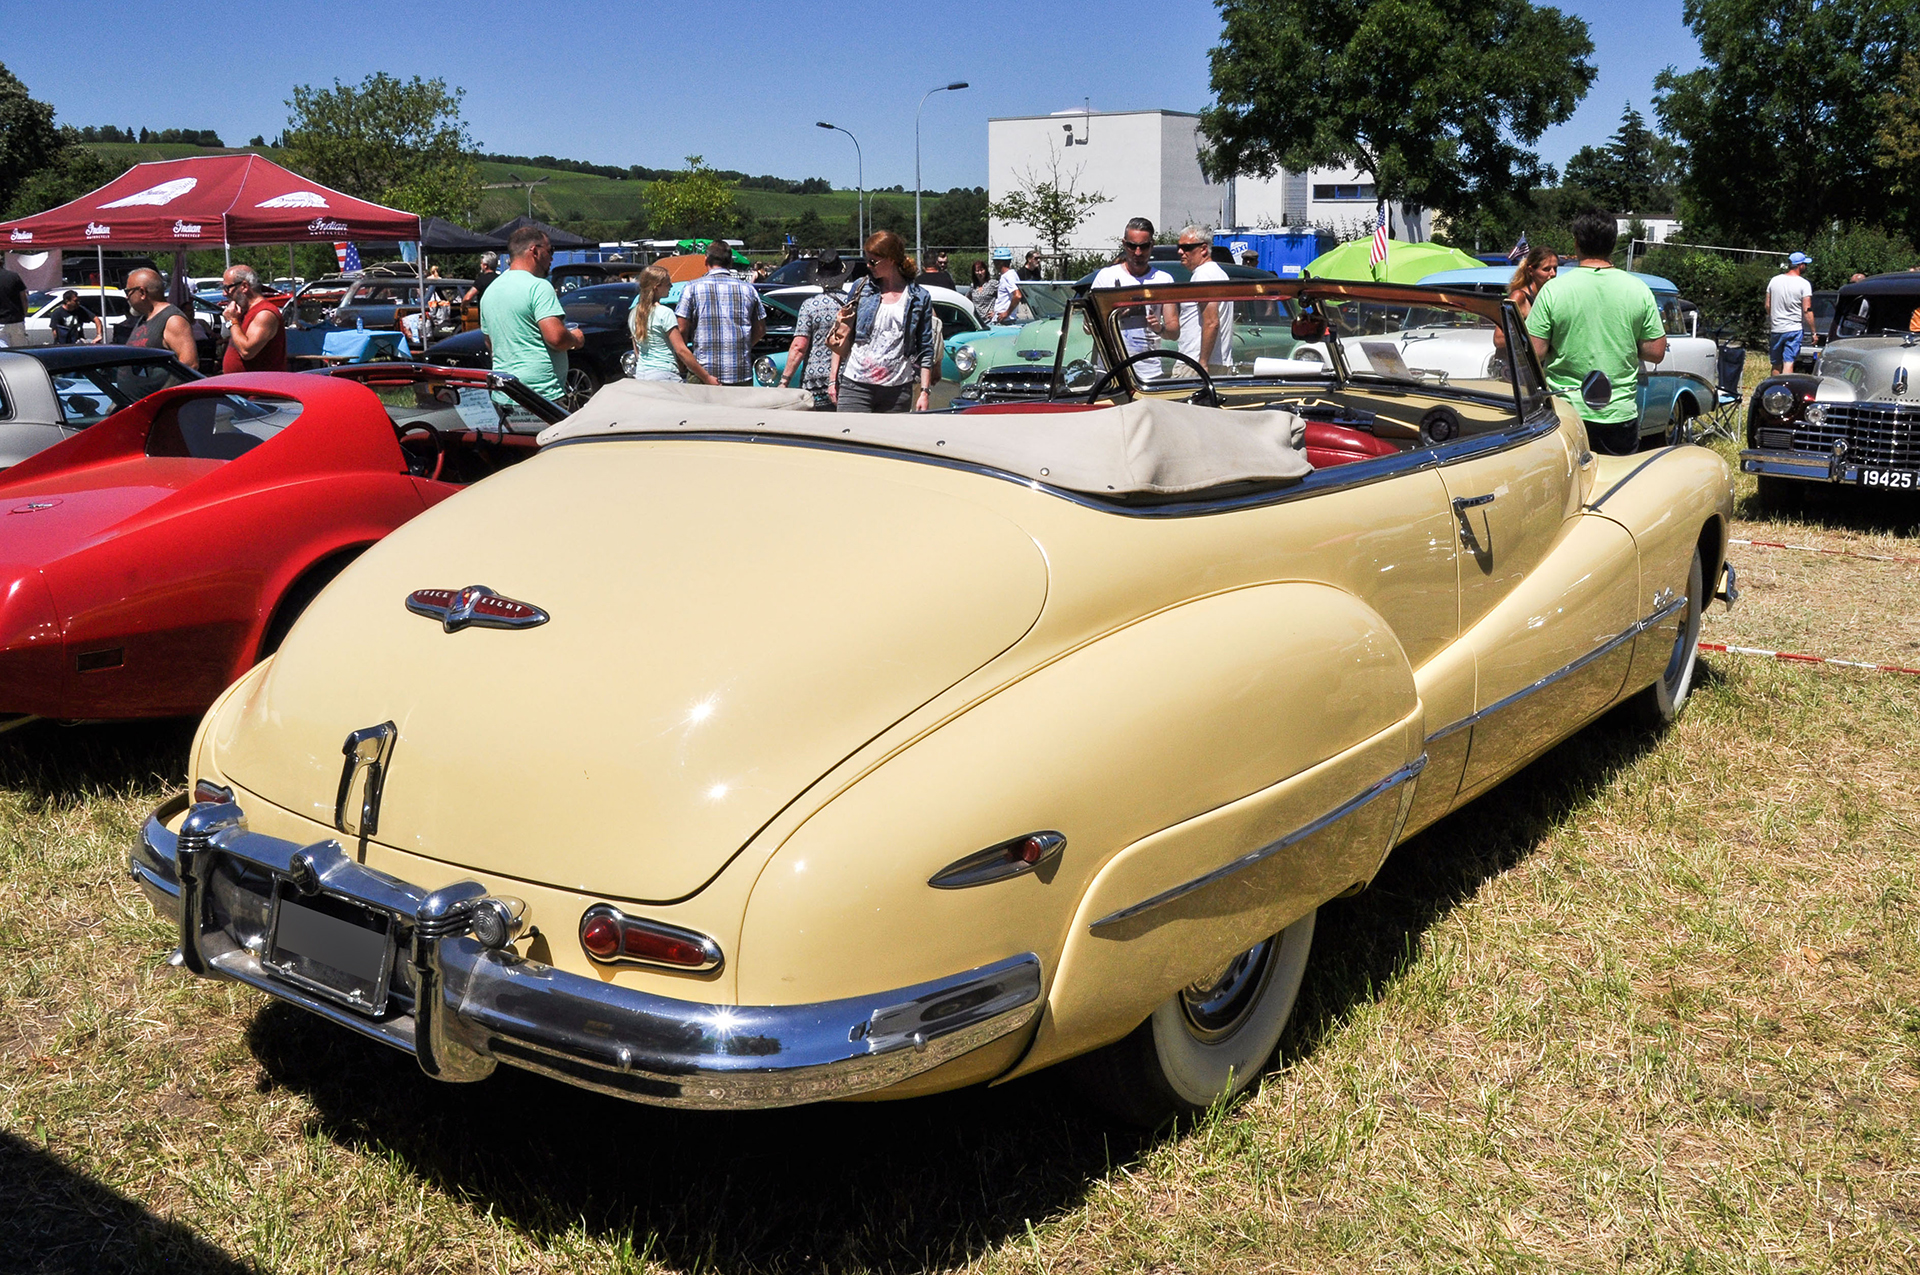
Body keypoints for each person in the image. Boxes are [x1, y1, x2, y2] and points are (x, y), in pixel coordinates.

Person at [1526, 210, 1666, 456]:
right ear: (1613, 244)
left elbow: (1534, 351)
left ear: (1576, 243)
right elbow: (1655, 352)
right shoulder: (1639, 289)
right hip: (1619, 413)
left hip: (1566, 413)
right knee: (1616, 488)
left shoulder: (1552, 290)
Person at [829, 230, 938, 413]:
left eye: (873, 261)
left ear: (892, 259)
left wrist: (924, 392)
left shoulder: (919, 297)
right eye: (867, 260)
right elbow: (843, 332)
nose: (869, 266)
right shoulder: (861, 288)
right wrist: (833, 379)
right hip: (855, 384)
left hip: (897, 390)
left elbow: (925, 347)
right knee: (849, 439)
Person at [480, 226, 585, 404]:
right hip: (541, 396)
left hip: (505, 394)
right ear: (535, 251)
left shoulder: (490, 291)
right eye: (550, 250)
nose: (552, 257)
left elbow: (490, 342)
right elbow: (556, 338)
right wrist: (575, 339)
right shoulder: (539, 287)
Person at [1090, 217, 1179, 380]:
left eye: (1144, 246)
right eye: (1132, 246)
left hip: (1148, 372)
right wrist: (1112, 316)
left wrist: (1159, 328)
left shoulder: (1163, 280)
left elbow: (1174, 332)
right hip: (1110, 371)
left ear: (1151, 245)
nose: (1138, 253)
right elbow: (1087, 326)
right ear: (1124, 244)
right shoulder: (1106, 276)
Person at [675, 239, 766, 385]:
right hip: (739, 371)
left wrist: (682, 362)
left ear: (706, 261)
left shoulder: (691, 289)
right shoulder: (748, 289)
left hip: (702, 371)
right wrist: (743, 347)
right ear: (730, 262)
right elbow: (761, 329)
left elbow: (682, 329)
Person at [781, 250, 850, 408]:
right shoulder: (853, 304)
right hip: (847, 378)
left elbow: (799, 346)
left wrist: (784, 381)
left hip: (815, 382)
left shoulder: (810, 306)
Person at [626, 264, 700, 382]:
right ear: (656, 287)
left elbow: (637, 350)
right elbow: (681, 350)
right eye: (668, 284)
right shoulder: (665, 313)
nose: (671, 286)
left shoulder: (634, 314)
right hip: (665, 373)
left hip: (642, 373)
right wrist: (705, 375)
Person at [1174, 225, 1233, 369]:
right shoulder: (1218, 273)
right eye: (1179, 247)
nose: (1180, 252)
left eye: (1186, 248)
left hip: (1195, 363)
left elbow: (1212, 322)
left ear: (1204, 249)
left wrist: (1202, 362)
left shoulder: (1203, 275)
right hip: (1218, 362)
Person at [119, 268, 199, 367]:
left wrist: (169, 383)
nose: (127, 297)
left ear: (142, 292)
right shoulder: (145, 317)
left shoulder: (173, 320)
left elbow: (190, 364)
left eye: (128, 292)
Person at [220, 265, 286, 373]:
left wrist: (232, 321)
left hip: (258, 386)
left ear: (244, 286)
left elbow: (247, 351)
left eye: (228, 288)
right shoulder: (243, 312)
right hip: (239, 384)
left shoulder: (264, 313)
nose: (224, 294)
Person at [1765, 252, 1815, 374]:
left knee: (1776, 363)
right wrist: (1813, 331)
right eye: (1804, 264)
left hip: (1777, 328)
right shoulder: (1804, 284)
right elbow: (1807, 309)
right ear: (1800, 265)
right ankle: (1786, 390)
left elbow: (1767, 305)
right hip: (1794, 328)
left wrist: (1774, 318)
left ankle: (1774, 389)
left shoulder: (1774, 281)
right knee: (1789, 361)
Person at [1506, 245, 1558, 324]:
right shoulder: (1519, 297)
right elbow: (1500, 335)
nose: (1553, 273)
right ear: (1531, 271)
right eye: (1546, 269)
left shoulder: (1552, 297)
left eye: (1555, 268)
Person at [991, 247, 1023, 325]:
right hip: (1002, 318)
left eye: (995, 261)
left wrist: (1006, 313)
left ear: (1000, 262)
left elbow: (1017, 296)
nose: (994, 264)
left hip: (1005, 321)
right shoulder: (1008, 275)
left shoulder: (1009, 276)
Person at [0, 261, 27, 348]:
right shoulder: (14, 276)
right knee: (21, 351)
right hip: (16, 320)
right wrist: (23, 315)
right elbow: (24, 298)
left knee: (4, 354)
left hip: (1, 323)